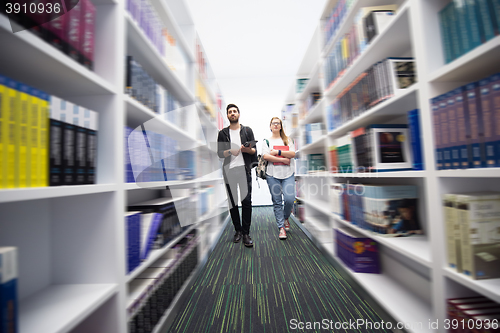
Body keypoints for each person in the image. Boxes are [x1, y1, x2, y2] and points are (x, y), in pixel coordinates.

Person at [217, 104, 257, 247]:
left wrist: (247, 150)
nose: (232, 113)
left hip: (244, 170)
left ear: (239, 114)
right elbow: (220, 153)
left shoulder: (247, 130)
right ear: (227, 116)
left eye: (234, 111)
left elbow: (254, 151)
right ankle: (238, 231)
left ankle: (246, 233)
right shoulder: (222, 133)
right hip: (229, 171)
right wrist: (230, 151)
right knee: (233, 203)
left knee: (246, 202)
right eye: (230, 112)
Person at [262, 117, 296, 239]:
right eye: (273, 123)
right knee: (277, 202)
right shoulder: (266, 141)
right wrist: (284, 159)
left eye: (278, 123)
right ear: (270, 126)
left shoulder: (288, 140)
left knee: (289, 199)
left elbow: (292, 154)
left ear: (281, 126)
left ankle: (286, 217)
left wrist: (277, 152)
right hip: (272, 175)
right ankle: (281, 227)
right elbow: (266, 156)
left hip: (288, 174)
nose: (276, 125)